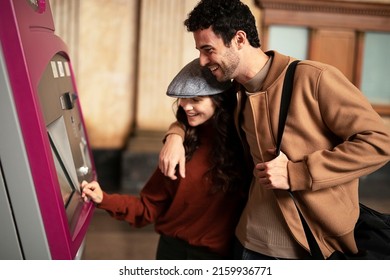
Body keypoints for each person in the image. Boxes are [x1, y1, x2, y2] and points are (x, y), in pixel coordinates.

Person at [158, 0, 390, 260]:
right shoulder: (234, 91)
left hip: (305, 244)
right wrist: (175, 134)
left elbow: (380, 143)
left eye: (208, 49)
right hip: (245, 240)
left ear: (239, 39)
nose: (202, 61)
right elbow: (198, 114)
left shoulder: (315, 79)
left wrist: (299, 172)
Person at [81, 58, 250, 260]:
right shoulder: (180, 149)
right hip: (171, 252)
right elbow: (148, 208)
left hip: (219, 259)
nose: (186, 107)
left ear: (219, 101)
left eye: (196, 99)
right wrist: (104, 199)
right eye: (183, 99)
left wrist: (175, 132)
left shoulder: (245, 145)